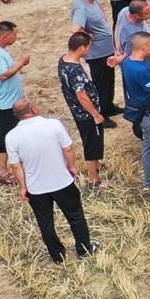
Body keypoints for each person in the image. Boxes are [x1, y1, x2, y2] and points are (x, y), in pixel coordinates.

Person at [6, 99, 97, 263]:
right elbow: (68, 148)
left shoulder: (11, 136)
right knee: (75, 216)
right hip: (61, 180)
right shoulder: (53, 125)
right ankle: (84, 249)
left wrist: (22, 187)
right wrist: (72, 166)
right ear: (34, 109)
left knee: (45, 222)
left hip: (36, 187)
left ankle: (57, 256)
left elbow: (16, 166)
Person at [0, 21, 31, 188]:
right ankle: (4, 172)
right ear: (5, 36)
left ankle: (8, 170)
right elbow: (3, 75)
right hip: (2, 105)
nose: (16, 37)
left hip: (7, 103)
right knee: (5, 138)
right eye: (14, 34)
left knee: (5, 137)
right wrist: (21, 63)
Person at [58, 33, 107, 189]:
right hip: (86, 114)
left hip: (77, 111)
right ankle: (94, 179)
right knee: (92, 144)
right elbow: (82, 95)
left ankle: (97, 165)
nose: (89, 50)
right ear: (81, 47)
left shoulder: (64, 60)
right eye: (88, 47)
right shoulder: (75, 71)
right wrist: (95, 114)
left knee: (93, 141)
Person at [121, 32, 150, 197]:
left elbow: (146, 77)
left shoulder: (128, 63)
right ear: (145, 48)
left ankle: (149, 181)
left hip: (140, 114)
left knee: (147, 148)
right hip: (149, 114)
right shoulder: (139, 69)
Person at [68, 0, 118, 118]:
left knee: (109, 80)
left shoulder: (93, 1)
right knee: (101, 83)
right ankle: (102, 112)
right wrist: (88, 35)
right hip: (97, 53)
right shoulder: (81, 7)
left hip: (106, 49)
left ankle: (109, 106)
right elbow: (75, 28)